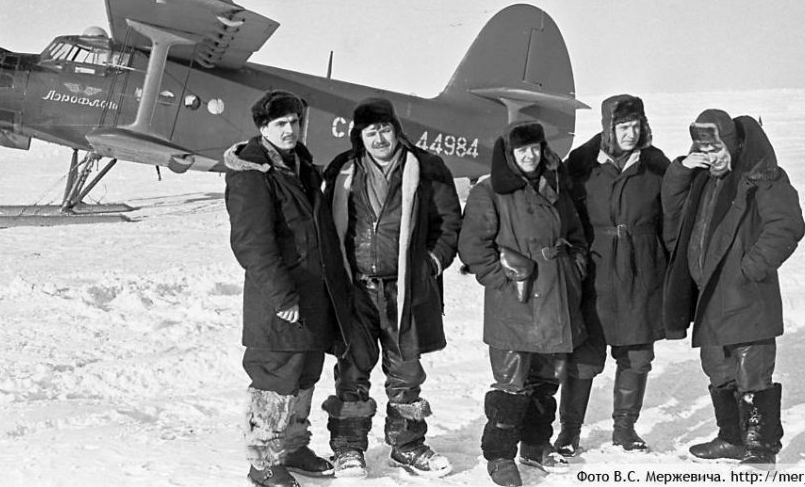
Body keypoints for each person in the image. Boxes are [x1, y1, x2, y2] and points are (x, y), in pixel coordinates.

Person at [320, 97, 462, 478]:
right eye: (371, 131)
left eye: (385, 129)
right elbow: (326, 227)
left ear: (396, 130)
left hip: (405, 291)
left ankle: (407, 445)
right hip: (357, 290)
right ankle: (348, 448)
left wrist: (431, 263)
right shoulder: (343, 171)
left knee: (406, 373)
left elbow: (448, 224)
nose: (380, 138)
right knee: (352, 370)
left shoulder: (427, 168)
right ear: (359, 136)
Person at [224, 90, 354, 487]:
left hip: (313, 296)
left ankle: (293, 446)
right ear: (263, 128)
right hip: (278, 301)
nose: (289, 130)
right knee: (274, 377)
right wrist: (282, 296)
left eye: (294, 122)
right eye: (280, 124)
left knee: (304, 374)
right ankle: (263, 460)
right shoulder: (252, 175)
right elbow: (251, 244)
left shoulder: (303, 168)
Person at [662, 109, 805, 467]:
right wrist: (682, 167)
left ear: (732, 143)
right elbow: (672, 211)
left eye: (716, 149)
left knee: (752, 371)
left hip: (745, 295)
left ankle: (761, 448)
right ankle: (731, 438)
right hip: (709, 295)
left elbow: (786, 225)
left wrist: (749, 269)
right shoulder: (702, 180)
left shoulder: (762, 177)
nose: (712, 157)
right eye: (704, 150)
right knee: (718, 368)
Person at [459, 120, 588, 487]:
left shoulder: (554, 185)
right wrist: (501, 281)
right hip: (515, 300)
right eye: (521, 150)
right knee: (510, 383)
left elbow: (575, 234)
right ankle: (500, 456)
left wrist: (574, 268)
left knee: (546, 378)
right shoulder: (489, 192)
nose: (530, 155)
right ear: (509, 154)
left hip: (556, 295)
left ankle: (534, 443)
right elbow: (473, 246)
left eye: (534, 148)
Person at [558, 94, 670, 454]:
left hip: (641, 269)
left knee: (637, 354)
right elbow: (564, 215)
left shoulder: (654, 164)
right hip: (596, 270)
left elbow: (674, 215)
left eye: (636, 126)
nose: (630, 133)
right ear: (609, 127)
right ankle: (569, 432)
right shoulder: (583, 163)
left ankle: (625, 429)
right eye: (623, 126)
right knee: (585, 356)